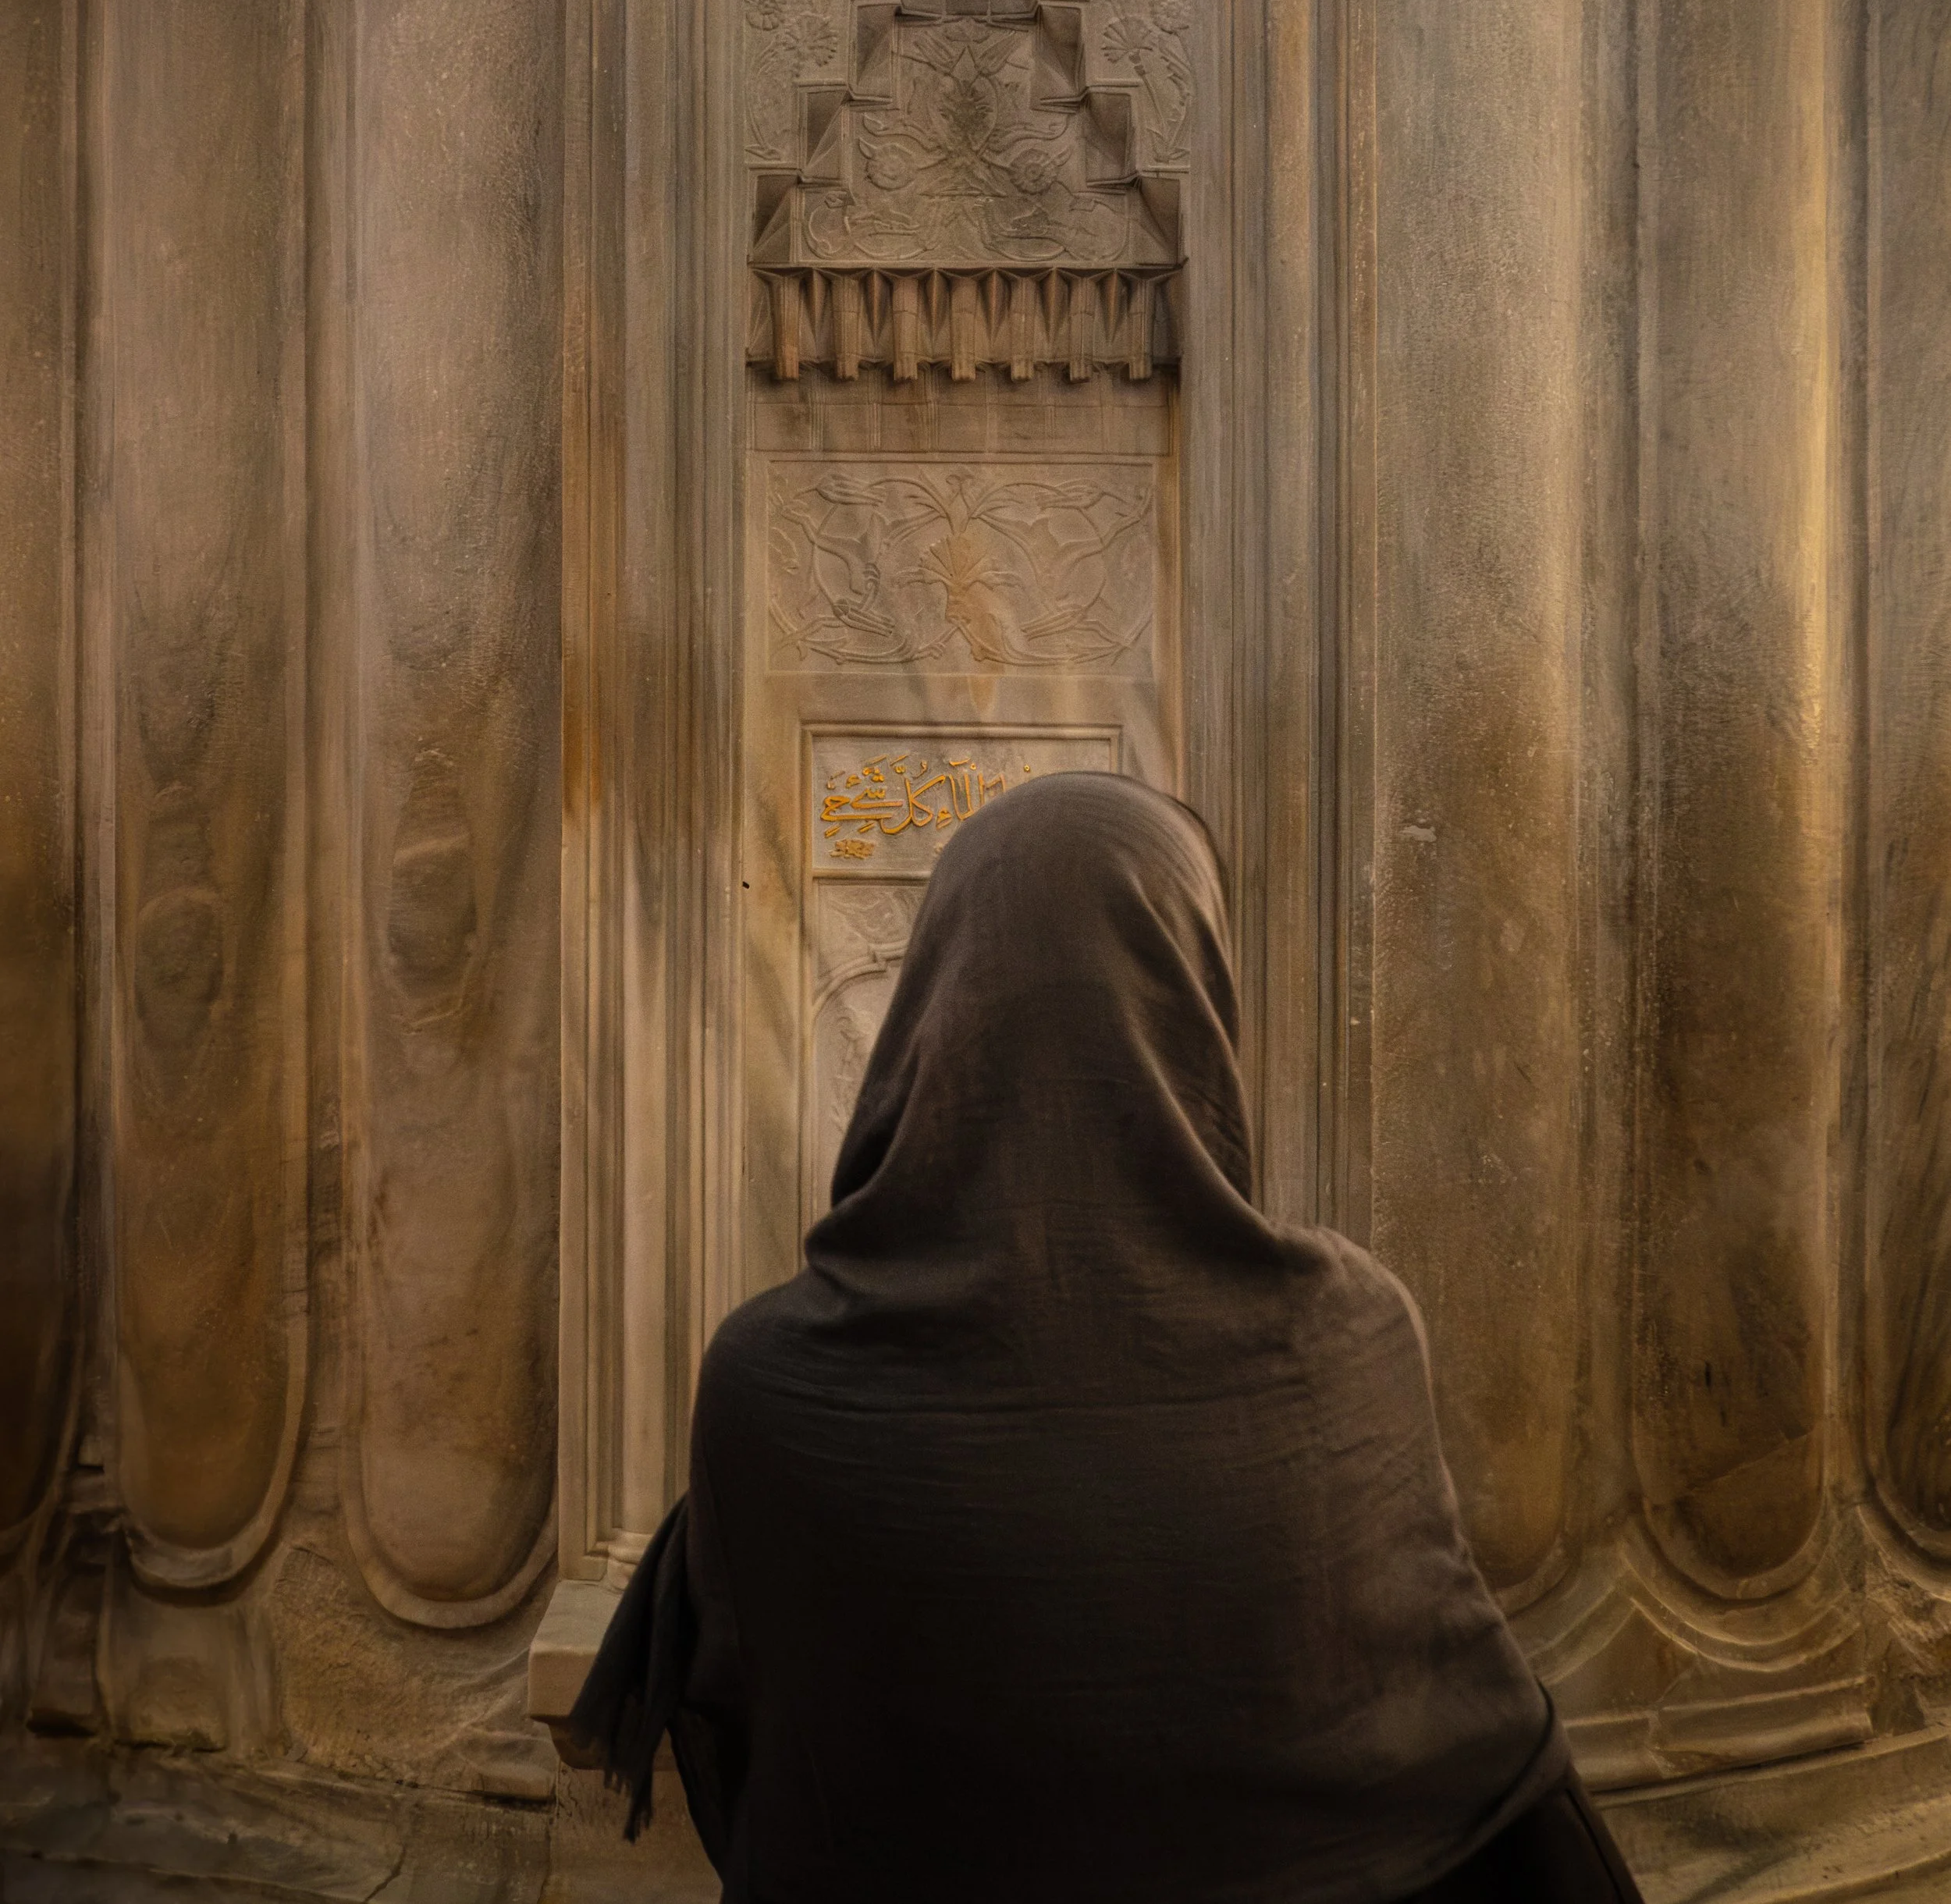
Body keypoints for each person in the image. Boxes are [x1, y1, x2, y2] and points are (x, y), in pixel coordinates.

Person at [568, 771, 1641, 1902]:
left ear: (933, 1005)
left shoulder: (772, 1387)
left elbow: (763, 1757)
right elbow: (1450, 1758)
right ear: (1194, 997)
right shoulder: (1348, 1338)